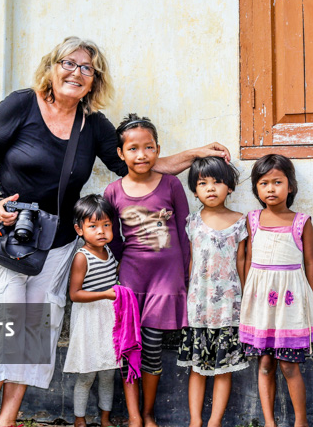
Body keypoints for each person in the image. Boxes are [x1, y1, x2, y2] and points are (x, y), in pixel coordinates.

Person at [0, 36, 230, 427]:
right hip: (15, 238)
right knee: (4, 325)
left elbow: (139, 168)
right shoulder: (21, 104)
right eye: (68, 64)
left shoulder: (93, 125)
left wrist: (195, 154)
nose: (76, 72)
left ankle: (7, 419)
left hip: (58, 246)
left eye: (86, 68)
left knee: (37, 331)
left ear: (94, 81)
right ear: (51, 67)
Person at [104, 114, 189, 427]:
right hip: (131, 278)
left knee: (152, 348)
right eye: (134, 149)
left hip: (165, 280)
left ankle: (149, 412)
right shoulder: (113, 192)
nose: (142, 155)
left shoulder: (171, 184)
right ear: (121, 153)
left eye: (149, 148)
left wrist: (184, 276)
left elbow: (183, 232)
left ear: (157, 150)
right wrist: (126, 262)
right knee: (130, 346)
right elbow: (111, 237)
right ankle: (134, 416)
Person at [239, 154, 313, 427]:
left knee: (288, 365)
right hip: (261, 306)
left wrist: (311, 301)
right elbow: (247, 260)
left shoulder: (301, 222)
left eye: (277, 182)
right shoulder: (252, 220)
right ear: (256, 189)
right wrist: (246, 298)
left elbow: (309, 263)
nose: (270, 189)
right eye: (263, 183)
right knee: (264, 364)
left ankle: (301, 422)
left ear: (291, 186)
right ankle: (269, 422)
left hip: (291, 307)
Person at [176, 157, 249, 427]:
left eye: (217, 182)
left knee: (223, 369)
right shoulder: (192, 222)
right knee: (197, 369)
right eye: (202, 183)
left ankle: (215, 421)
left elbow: (241, 262)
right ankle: (195, 420)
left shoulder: (240, 222)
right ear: (194, 191)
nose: (210, 188)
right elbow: (192, 262)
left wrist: (246, 299)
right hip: (199, 306)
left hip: (229, 307)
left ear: (229, 187)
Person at [64, 195, 119, 427]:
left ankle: (105, 418)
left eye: (106, 225)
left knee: (108, 372)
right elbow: (75, 294)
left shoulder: (109, 252)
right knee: (87, 373)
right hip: (88, 320)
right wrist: (106, 294)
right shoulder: (81, 257)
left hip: (109, 319)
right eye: (93, 226)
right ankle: (80, 419)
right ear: (79, 229)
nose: (101, 231)